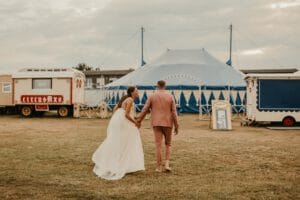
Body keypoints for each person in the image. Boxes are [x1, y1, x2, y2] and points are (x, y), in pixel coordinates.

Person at [92, 86, 145, 180]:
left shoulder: (125, 98)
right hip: (124, 121)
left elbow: (115, 109)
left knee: (117, 140)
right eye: (136, 91)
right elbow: (126, 114)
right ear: (132, 92)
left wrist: (117, 117)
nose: (138, 92)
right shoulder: (130, 100)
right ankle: (122, 163)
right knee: (128, 140)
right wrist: (135, 122)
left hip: (118, 120)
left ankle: (120, 161)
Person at [137, 80, 179, 172]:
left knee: (158, 145)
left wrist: (139, 120)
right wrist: (177, 125)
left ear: (157, 86)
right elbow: (174, 112)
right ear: (165, 86)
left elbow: (145, 109)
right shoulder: (170, 96)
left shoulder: (152, 96)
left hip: (156, 123)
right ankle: (167, 164)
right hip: (168, 123)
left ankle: (159, 167)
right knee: (168, 144)